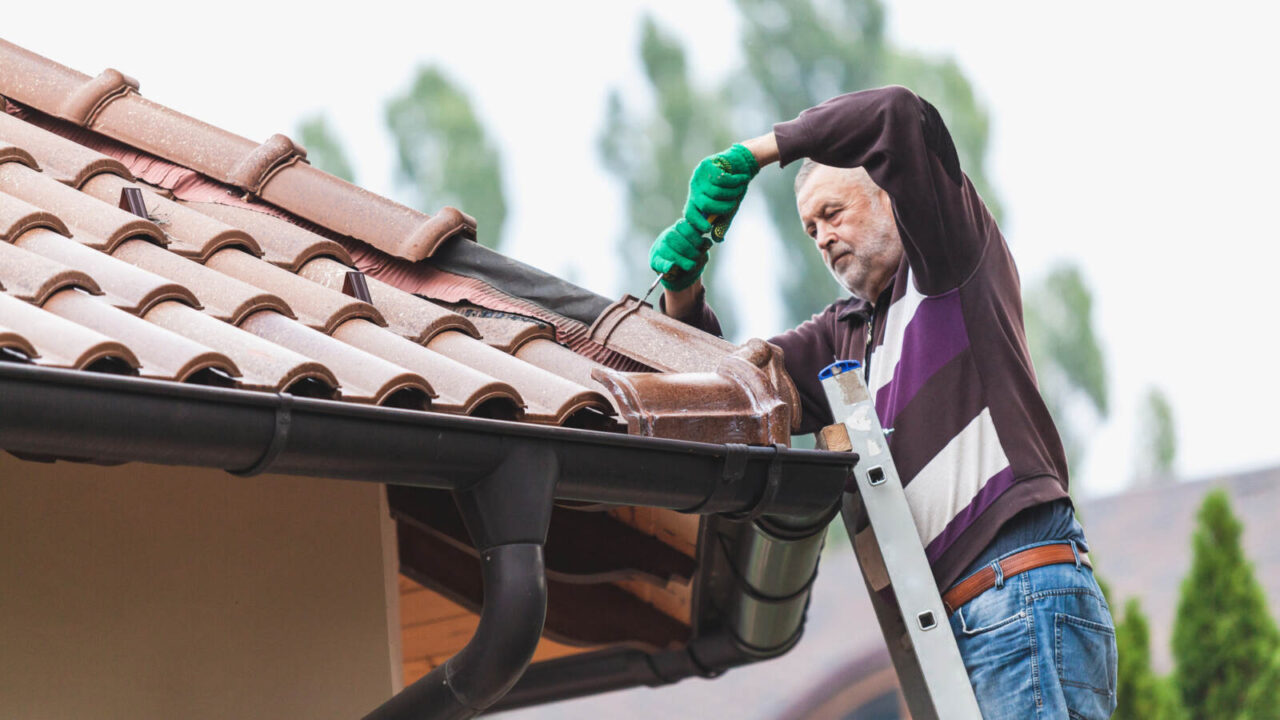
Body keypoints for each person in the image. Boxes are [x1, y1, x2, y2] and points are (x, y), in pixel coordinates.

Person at [649, 86, 1117, 719]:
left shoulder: (948, 261)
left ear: (889, 194)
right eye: (811, 229)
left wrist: (756, 152)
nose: (822, 237)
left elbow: (897, 114)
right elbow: (736, 396)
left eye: (834, 212)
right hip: (968, 619)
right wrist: (683, 291)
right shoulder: (844, 335)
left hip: (1013, 590)